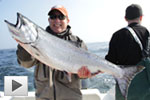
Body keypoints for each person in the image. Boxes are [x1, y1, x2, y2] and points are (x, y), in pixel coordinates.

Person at [16, 5, 89, 100]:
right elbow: (26, 64)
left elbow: (87, 71)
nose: (57, 20)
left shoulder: (78, 43)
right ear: (49, 20)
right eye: (53, 17)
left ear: (68, 20)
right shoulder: (38, 39)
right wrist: (24, 45)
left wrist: (84, 74)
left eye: (61, 17)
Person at [105, 4, 150, 100]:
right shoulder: (147, 33)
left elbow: (110, 62)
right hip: (145, 88)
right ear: (141, 17)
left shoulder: (117, 35)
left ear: (125, 18)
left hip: (125, 87)